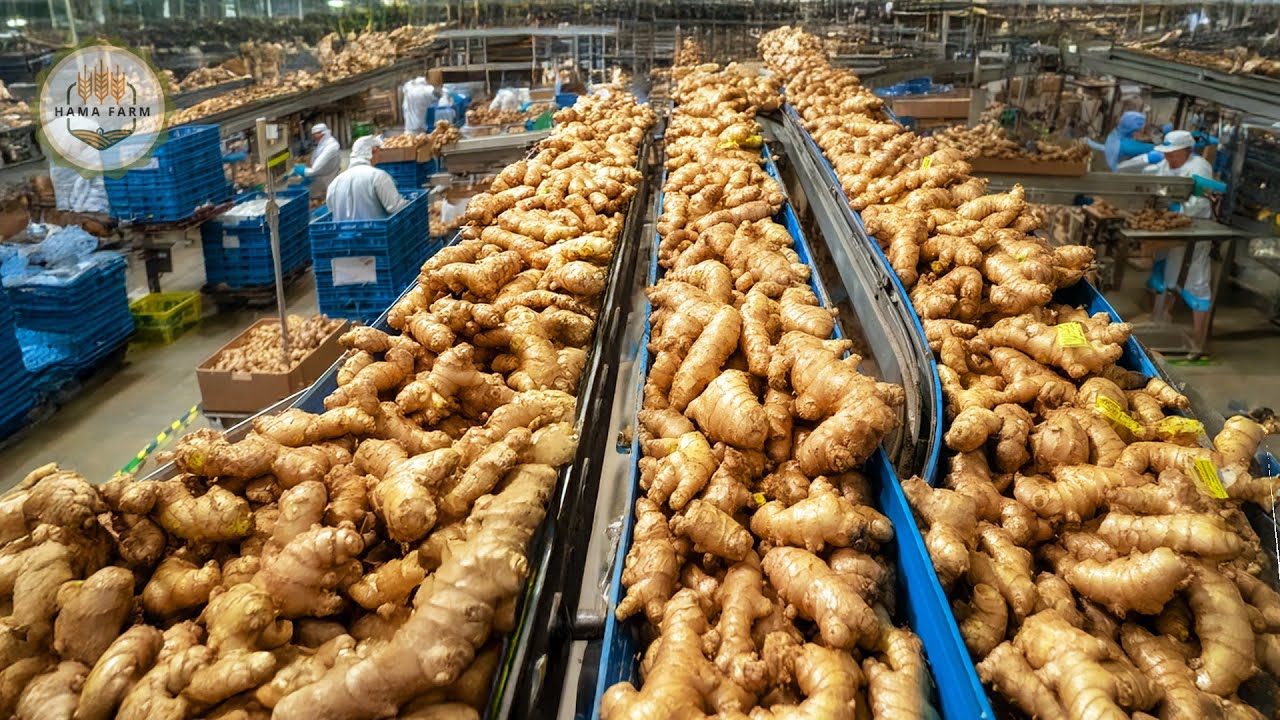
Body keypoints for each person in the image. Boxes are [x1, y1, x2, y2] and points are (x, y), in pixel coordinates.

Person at [1126, 130, 1222, 337]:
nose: (1168, 157)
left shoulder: (1199, 168)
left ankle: (1198, 340)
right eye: (1166, 153)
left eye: (1173, 153)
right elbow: (1150, 179)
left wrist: (1176, 211)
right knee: (1168, 275)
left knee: (1196, 280)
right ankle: (1161, 320)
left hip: (1195, 230)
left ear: (1187, 151)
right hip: (1172, 229)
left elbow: (1198, 202)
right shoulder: (1166, 163)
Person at [326, 136, 411, 222]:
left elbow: (332, 211)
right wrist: (409, 203)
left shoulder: (335, 183)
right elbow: (395, 207)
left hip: (344, 233)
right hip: (378, 232)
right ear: (373, 151)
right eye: (379, 151)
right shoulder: (378, 176)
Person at [1086, 111, 1153, 171]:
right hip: (1119, 175)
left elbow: (1107, 148)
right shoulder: (1126, 146)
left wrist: (1090, 143)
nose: (1142, 131)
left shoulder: (1115, 134)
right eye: (1141, 129)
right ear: (1134, 130)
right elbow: (1154, 149)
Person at [293, 123, 341, 201]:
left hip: (328, 177)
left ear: (324, 133)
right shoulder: (322, 144)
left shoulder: (332, 146)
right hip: (321, 177)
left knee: (331, 197)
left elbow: (316, 168)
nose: (315, 137)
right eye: (314, 134)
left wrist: (304, 171)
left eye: (317, 134)